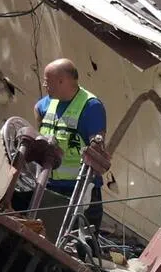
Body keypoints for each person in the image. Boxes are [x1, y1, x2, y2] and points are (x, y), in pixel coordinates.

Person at [34, 58, 107, 228]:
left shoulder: (91, 107)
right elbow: (38, 110)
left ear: (62, 81)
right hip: (49, 188)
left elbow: (97, 151)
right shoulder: (47, 103)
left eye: (47, 81)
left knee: (80, 244)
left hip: (79, 193)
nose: (45, 85)